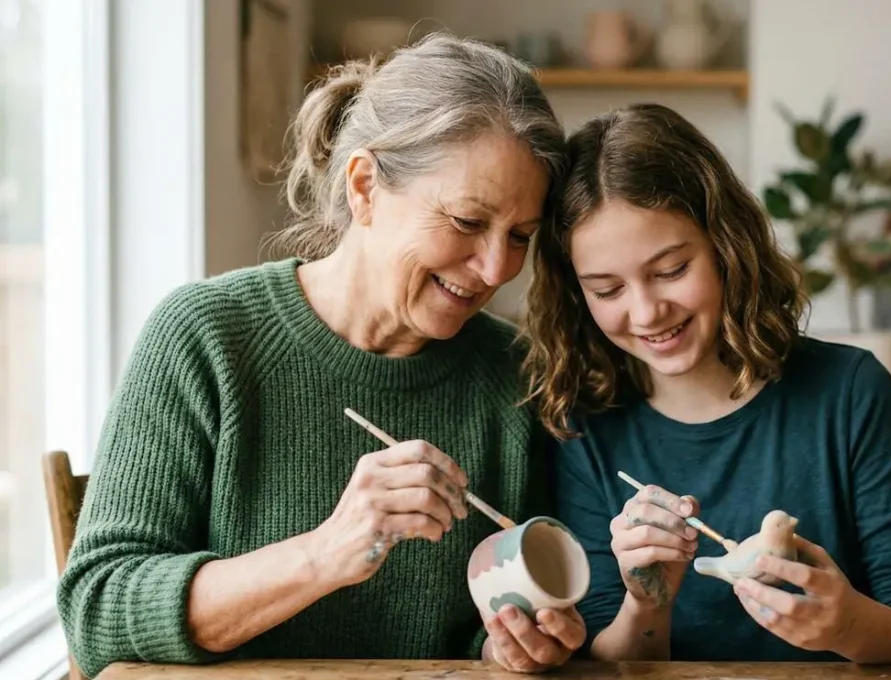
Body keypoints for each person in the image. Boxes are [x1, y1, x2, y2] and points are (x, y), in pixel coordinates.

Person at [56, 33, 583, 676]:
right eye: (469, 223)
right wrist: (326, 553)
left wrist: (510, 644)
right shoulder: (205, 337)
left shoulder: (514, 373)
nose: (495, 268)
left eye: (520, 236)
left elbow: (476, 627)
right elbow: (99, 612)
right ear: (364, 187)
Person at [522, 103, 891, 663]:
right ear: (577, 293)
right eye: (608, 290)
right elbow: (600, 662)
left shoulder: (850, 393)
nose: (646, 312)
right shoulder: (585, 428)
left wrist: (848, 625)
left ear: (725, 246)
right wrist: (647, 603)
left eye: (671, 271)